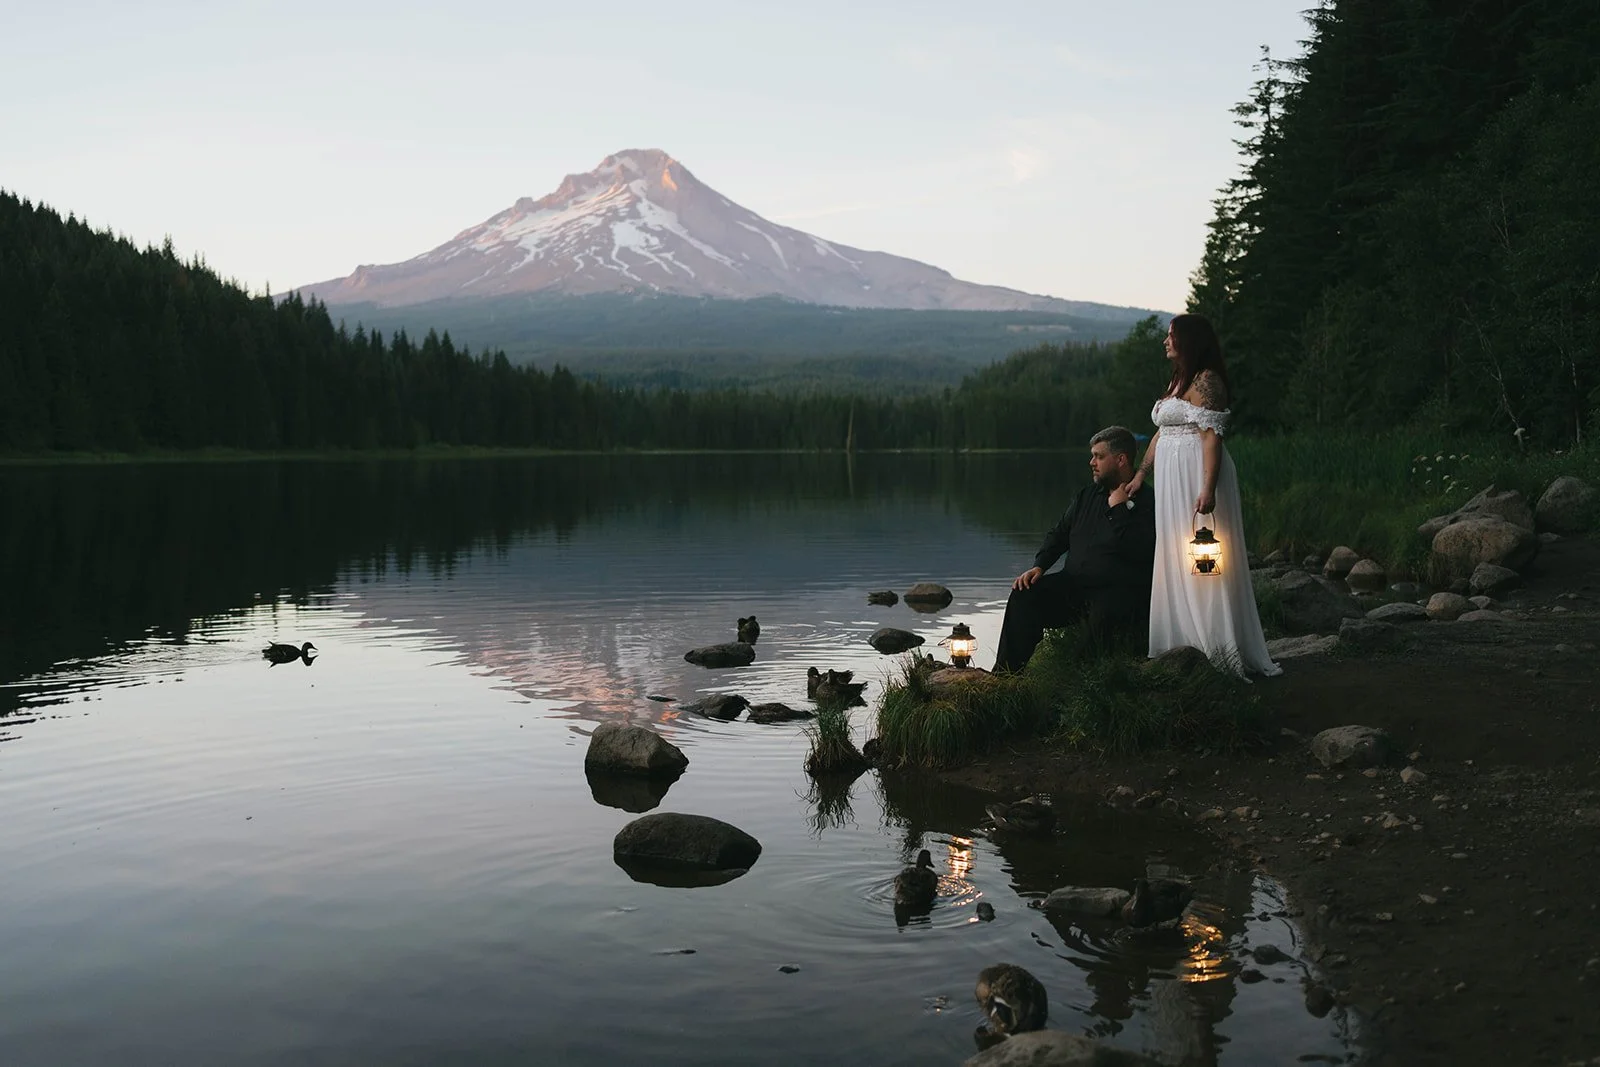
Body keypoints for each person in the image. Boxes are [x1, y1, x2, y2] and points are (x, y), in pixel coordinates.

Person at [1124, 314, 1280, 677]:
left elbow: (1213, 436)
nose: (1165, 341)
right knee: (1172, 552)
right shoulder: (1179, 380)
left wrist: (1207, 487)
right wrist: (1141, 475)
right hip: (1169, 478)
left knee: (1202, 554)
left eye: (1171, 335)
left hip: (1197, 472)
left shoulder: (1208, 381)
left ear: (1189, 340)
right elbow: (1163, 432)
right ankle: (1179, 639)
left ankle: (1216, 644)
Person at [992, 427, 1156, 673]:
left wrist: (1119, 510)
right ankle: (1005, 676)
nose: (1092, 462)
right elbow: (1059, 534)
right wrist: (1040, 565)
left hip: (1116, 594)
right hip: (1074, 587)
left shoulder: (1146, 501)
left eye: (1099, 456)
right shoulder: (1087, 496)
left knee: (1083, 662)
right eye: (1092, 456)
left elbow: (1140, 551)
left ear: (1121, 459)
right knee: (1024, 595)